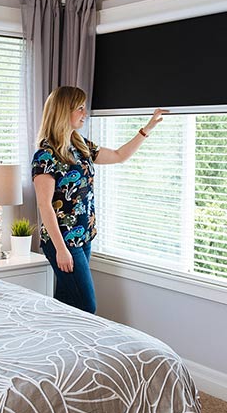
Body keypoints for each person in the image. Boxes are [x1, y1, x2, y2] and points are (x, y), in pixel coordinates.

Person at [31, 86, 167, 313]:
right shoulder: (45, 155)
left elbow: (119, 155)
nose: (85, 113)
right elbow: (44, 205)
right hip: (62, 242)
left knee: (67, 303)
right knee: (87, 306)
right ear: (64, 111)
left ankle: (55, 335)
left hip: (84, 236)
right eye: (80, 108)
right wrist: (61, 249)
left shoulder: (81, 146)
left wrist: (147, 129)